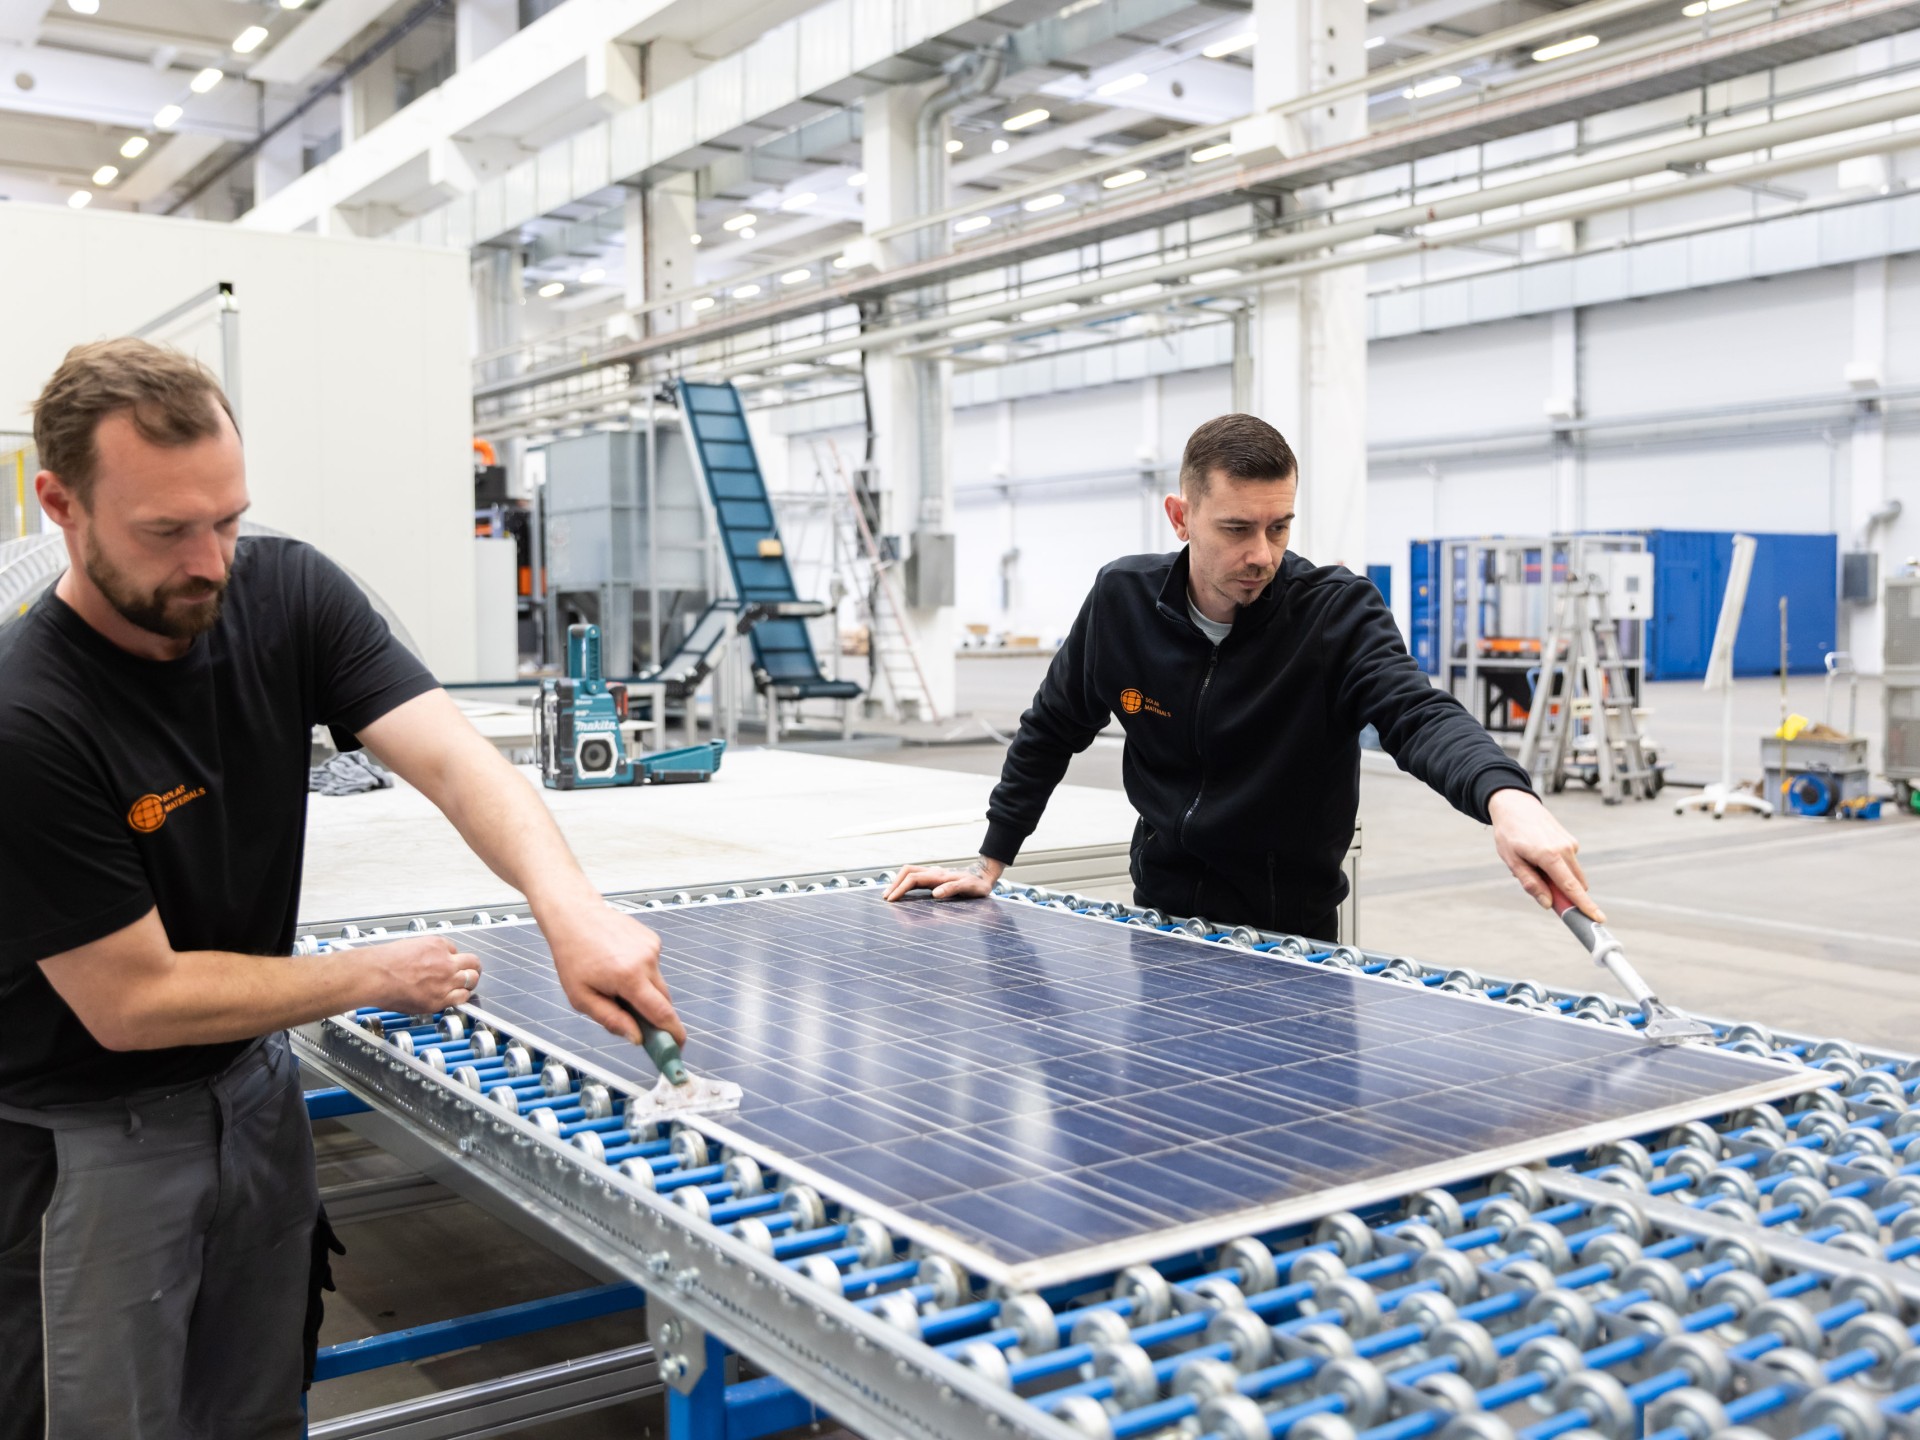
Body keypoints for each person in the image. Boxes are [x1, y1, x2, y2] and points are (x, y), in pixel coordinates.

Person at [0, 339, 686, 1440]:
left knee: (261, 1408)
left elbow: (457, 760)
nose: (212, 562)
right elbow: (132, 1003)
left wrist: (572, 910)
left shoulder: (286, 590)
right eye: (166, 532)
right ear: (59, 506)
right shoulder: (31, 717)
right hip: (91, 1143)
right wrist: (368, 973)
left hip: (251, 1102)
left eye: (227, 519)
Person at [886, 412, 1601, 938]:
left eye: (1279, 527)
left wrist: (1507, 798)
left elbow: (1416, 713)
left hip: (1295, 936)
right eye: (1236, 529)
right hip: (1162, 923)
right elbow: (1050, 730)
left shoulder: (1335, 612)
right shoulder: (1121, 603)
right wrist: (990, 861)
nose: (1262, 553)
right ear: (1181, 516)